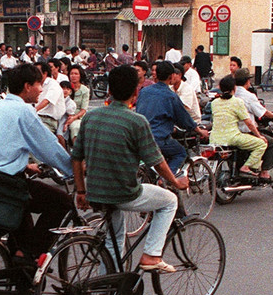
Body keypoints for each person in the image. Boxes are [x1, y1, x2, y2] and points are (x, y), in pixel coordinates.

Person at [72, 64, 187, 272]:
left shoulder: (90, 117)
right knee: (170, 200)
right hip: (124, 192)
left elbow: (76, 157)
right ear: (136, 91)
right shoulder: (136, 121)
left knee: (113, 242)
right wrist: (175, 182)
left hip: (95, 192)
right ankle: (152, 255)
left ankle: (106, 290)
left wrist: (81, 191)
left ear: (109, 91)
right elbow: (157, 162)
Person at [0, 63, 73, 259]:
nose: (41, 89)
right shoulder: (24, 111)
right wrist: (73, 169)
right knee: (62, 202)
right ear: (27, 86)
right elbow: (48, 147)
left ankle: (22, 270)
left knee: (22, 235)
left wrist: (26, 166)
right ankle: (29, 255)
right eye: (38, 84)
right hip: (8, 185)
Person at [135, 60, 201, 173]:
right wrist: (199, 130)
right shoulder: (171, 96)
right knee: (180, 153)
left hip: (139, 136)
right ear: (171, 76)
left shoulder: (144, 91)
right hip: (157, 138)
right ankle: (166, 179)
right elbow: (184, 119)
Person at [209, 74, 268, 179]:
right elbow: (249, 123)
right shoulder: (237, 102)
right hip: (232, 137)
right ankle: (246, 167)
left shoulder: (214, 103)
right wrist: (259, 136)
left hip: (214, 138)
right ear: (234, 88)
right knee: (261, 144)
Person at [233, 69, 273, 174]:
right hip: (245, 131)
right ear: (247, 81)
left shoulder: (231, 95)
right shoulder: (248, 96)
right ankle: (264, 172)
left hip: (231, 131)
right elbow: (262, 113)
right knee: (270, 143)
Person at [35, 59, 67, 134]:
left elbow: (47, 101)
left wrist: (34, 110)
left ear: (45, 73)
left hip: (48, 120)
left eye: (37, 72)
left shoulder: (53, 84)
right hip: (36, 117)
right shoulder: (36, 85)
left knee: (38, 135)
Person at [63, 65, 90, 143]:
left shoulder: (85, 90)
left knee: (75, 127)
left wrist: (74, 118)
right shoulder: (64, 87)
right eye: (71, 74)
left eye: (76, 74)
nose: (73, 76)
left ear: (80, 76)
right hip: (63, 114)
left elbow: (83, 109)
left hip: (77, 116)